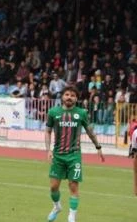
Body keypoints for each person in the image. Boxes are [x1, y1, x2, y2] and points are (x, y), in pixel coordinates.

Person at [44, 86, 105, 222]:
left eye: (72, 95)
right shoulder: (53, 112)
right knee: (53, 187)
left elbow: (90, 131)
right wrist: (48, 149)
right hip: (58, 155)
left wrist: (98, 147)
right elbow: (47, 131)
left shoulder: (81, 113)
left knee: (73, 186)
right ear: (62, 97)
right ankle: (57, 207)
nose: (69, 97)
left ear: (76, 99)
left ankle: (72, 217)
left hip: (74, 156)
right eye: (66, 94)